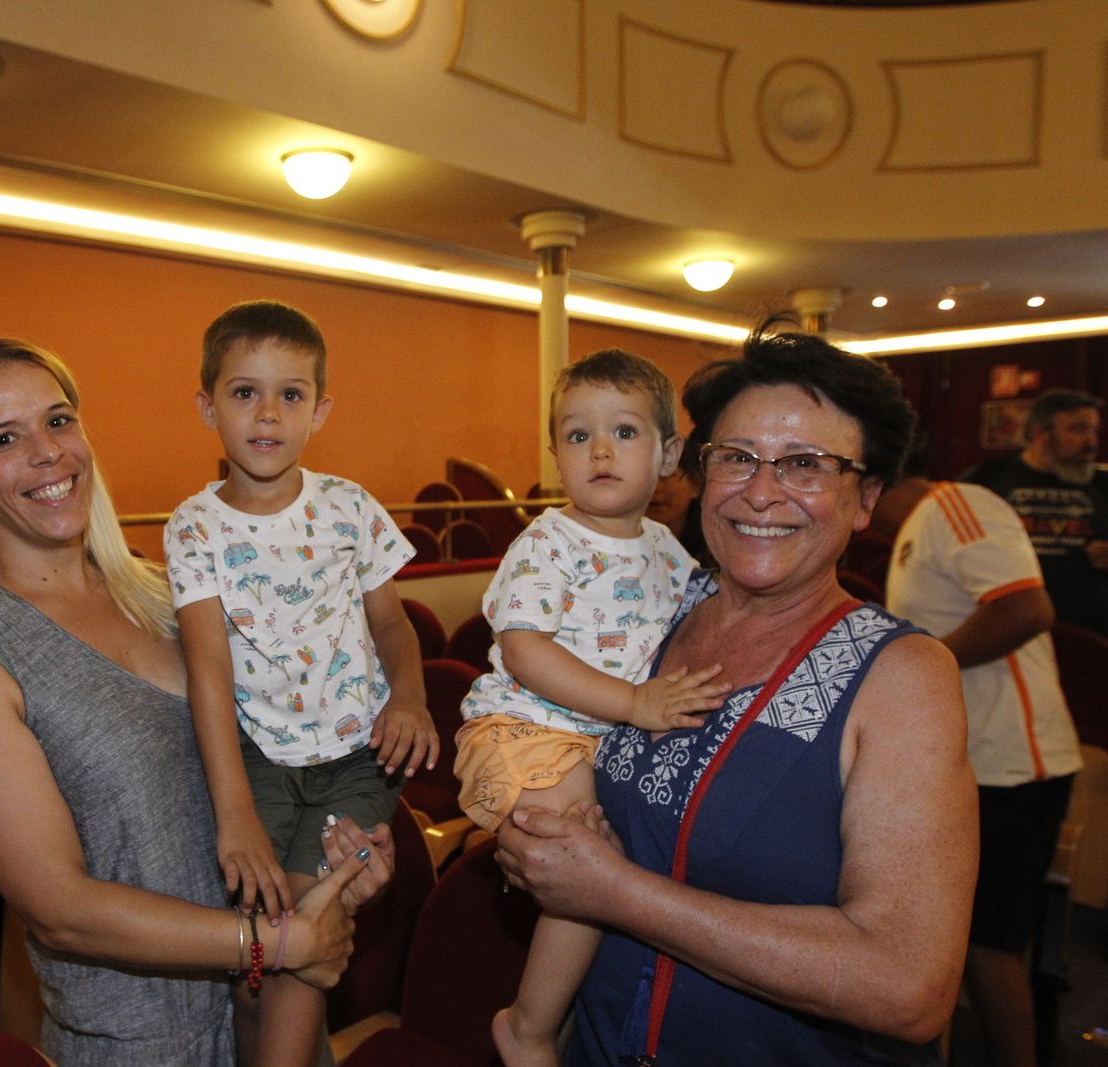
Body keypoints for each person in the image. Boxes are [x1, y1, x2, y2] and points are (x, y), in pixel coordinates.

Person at [496, 324, 979, 1066]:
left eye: (807, 464)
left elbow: (907, 984)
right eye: (737, 457)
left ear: (865, 498)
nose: (760, 490)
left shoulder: (901, 675)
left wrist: (614, 891)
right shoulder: (653, 609)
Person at [0, 337, 385, 1067]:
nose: (47, 452)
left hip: (275, 1009)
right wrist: (281, 942)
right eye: (4, 439)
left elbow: (294, 748)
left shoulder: (170, 591)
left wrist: (341, 858)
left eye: (58, 420)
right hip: (147, 1044)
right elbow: (61, 911)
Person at [163, 300, 439, 1067]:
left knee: (299, 928)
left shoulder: (349, 507)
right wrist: (234, 813)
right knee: (270, 949)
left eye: (291, 394)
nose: (268, 413)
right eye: (244, 391)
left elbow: (392, 625)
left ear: (319, 410)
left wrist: (410, 697)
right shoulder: (192, 526)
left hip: (356, 755)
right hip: (258, 759)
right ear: (206, 405)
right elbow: (208, 671)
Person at [451, 349, 728, 1067]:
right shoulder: (549, 541)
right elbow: (525, 651)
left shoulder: (668, 551)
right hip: (526, 727)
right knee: (583, 851)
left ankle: (568, 1021)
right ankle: (529, 1026)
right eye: (578, 436)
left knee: (612, 862)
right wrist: (637, 702)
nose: (600, 450)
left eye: (625, 432)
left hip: (598, 739)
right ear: (556, 453)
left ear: (670, 453)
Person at [886, 472, 1081, 1067]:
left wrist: (924, 663)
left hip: (1015, 765)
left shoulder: (957, 503)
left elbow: (1026, 607)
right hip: (973, 762)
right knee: (965, 942)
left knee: (988, 948)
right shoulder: (912, 533)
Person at [963, 388, 1108, 634]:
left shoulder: (1103, 485)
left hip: (1089, 636)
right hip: (1006, 632)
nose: (1091, 442)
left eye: (1094, 430)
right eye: (1078, 430)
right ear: (1040, 433)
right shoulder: (988, 479)